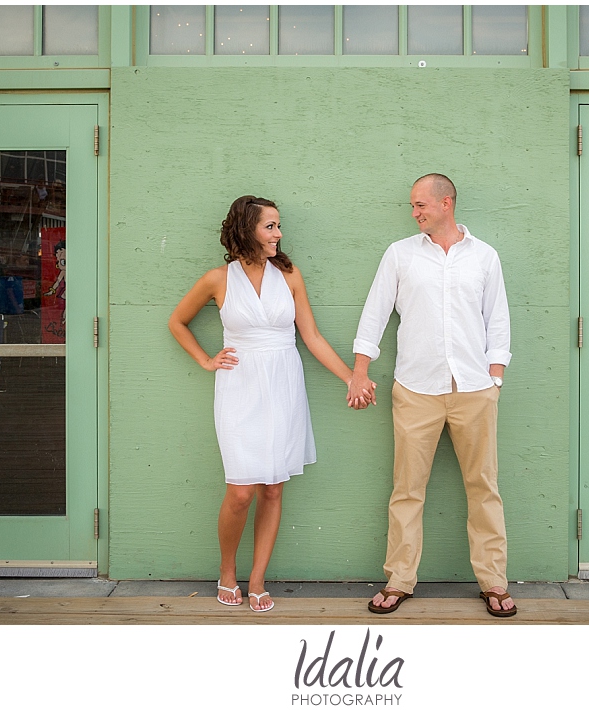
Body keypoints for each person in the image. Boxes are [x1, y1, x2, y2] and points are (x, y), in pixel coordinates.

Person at [169, 196, 372, 612]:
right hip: (239, 387)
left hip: (283, 385)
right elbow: (177, 321)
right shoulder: (217, 279)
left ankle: (258, 578)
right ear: (247, 229)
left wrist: (351, 377)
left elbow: (311, 337)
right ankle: (228, 572)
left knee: (273, 488)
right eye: (270, 226)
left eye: (279, 226)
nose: (279, 234)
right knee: (242, 491)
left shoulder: (290, 275)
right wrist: (207, 360)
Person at [347, 174, 516, 618]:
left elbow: (497, 320)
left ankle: (494, 581)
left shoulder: (484, 257)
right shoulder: (400, 255)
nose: (415, 212)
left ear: (446, 203)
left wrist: (494, 378)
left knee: (484, 488)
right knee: (407, 490)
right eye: (412, 206)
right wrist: (359, 371)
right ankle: (399, 579)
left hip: (475, 390)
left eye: (421, 204)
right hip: (416, 389)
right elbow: (375, 312)